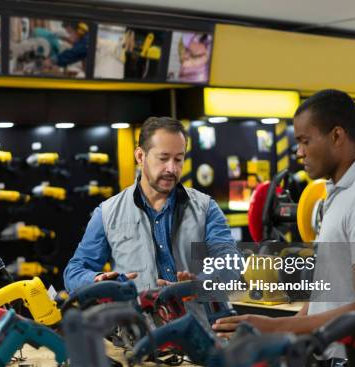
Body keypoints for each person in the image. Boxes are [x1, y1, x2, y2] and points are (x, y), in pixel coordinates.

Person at [213, 89, 355, 338]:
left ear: (337, 135)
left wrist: (274, 326)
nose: (299, 152)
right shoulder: (339, 193)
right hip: (329, 360)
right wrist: (279, 336)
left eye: (306, 141)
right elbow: (325, 296)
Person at [64, 116, 240, 292]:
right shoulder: (107, 213)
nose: (172, 168)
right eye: (163, 158)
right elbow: (74, 273)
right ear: (140, 156)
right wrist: (96, 280)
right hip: (136, 319)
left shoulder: (206, 208)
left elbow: (231, 263)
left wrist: (198, 284)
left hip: (197, 319)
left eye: (179, 159)